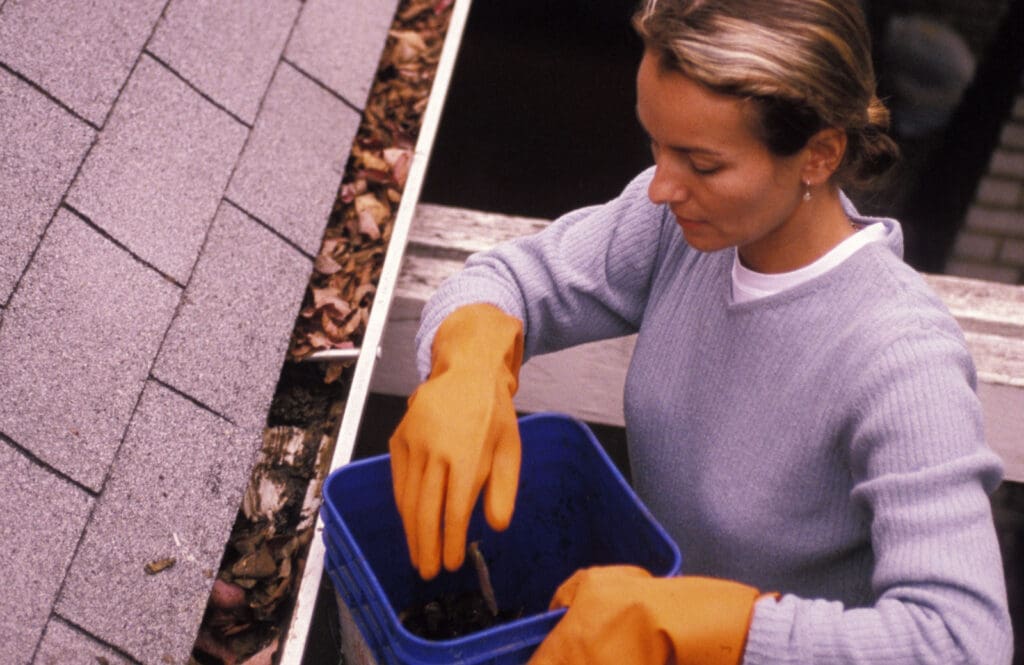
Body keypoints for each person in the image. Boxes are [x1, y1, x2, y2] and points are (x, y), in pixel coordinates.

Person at [387, 0, 1014, 662]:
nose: (661, 187)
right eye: (656, 144)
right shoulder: (681, 228)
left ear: (820, 154)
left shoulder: (901, 358)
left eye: (702, 163)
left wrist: (726, 627)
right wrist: (470, 361)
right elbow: (507, 280)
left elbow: (961, 640)